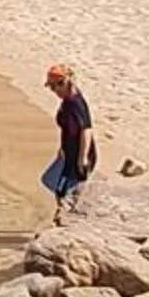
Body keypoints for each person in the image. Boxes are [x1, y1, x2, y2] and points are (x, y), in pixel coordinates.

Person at [41, 63, 95, 218]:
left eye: (53, 87)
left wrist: (82, 158)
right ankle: (63, 214)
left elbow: (86, 129)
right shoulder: (68, 99)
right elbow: (68, 129)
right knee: (50, 181)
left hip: (78, 155)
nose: (52, 91)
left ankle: (65, 218)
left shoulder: (74, 103)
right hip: (69, 152)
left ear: (63, 83)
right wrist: (62, 148)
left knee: (62, 189)